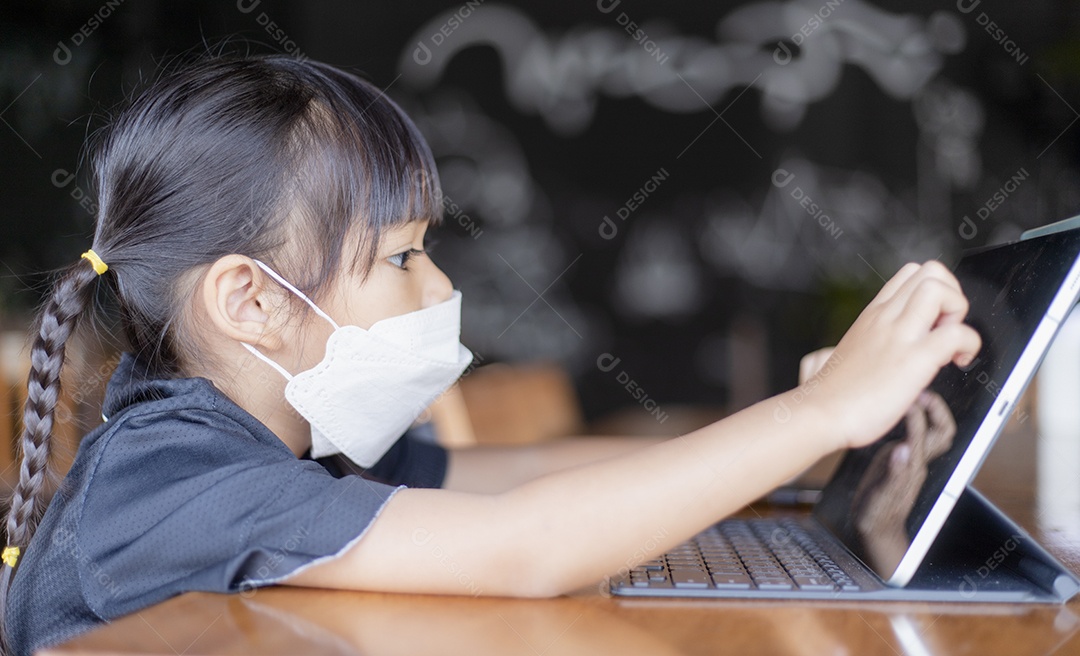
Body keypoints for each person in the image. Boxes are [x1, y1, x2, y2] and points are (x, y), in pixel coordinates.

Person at [0, 53, 981, 656]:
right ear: (251, 300)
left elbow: (520, 475)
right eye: (401, 256)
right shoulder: (170, 477)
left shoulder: (292, 441)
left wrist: (795, 447)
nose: (439, 290)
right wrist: (816, 415)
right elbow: (527, 542)